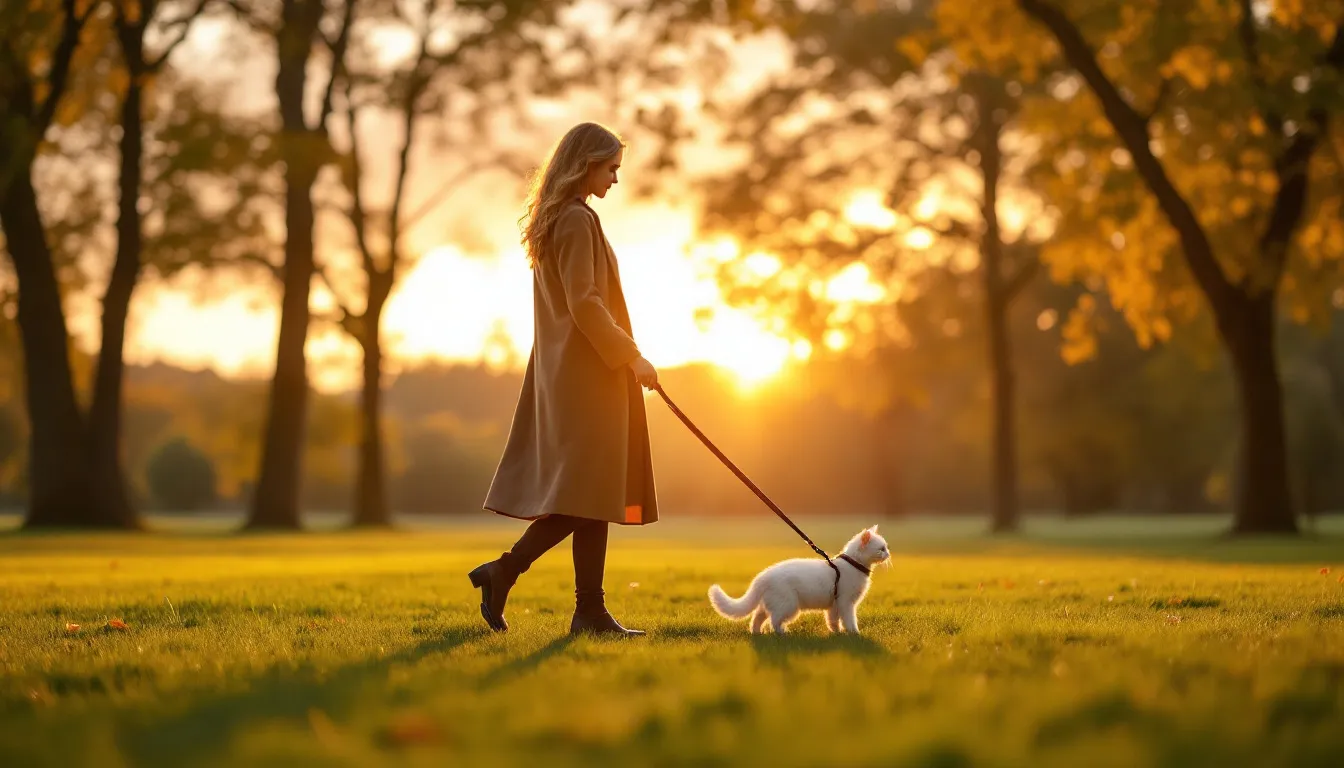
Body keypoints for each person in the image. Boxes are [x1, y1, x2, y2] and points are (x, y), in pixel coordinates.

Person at [469, 122, 660, 638]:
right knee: (585, 495)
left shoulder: (564, 219)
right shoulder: (575, 221)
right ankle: (506, 571)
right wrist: (632, 356)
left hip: (574, 374)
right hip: (587, 379)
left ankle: (588, 613)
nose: (616, 180)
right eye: (611, 169)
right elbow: (584, 303)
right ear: (586, 164)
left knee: (591, 494)